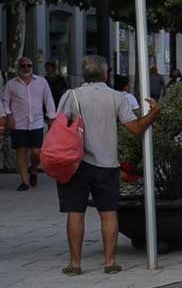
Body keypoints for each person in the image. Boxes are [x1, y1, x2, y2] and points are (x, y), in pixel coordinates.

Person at [54, 56, 161, 275]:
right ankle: (110, 261)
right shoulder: (117, 97)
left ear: (84, 74)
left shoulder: (71, 95)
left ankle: (75, 264)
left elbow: (59, 127)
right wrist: (154, 113)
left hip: (76, 163)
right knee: (109, 212)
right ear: (106, 74)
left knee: (75, 212)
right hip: (107, 164)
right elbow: (136, 128)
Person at [4, 57, 56, 190]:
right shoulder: (11, 84)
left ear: (32, 67)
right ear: (18, 68)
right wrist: (9, 115)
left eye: (29, 65)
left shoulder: (41, 82)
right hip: (18, 123)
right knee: (21, 152)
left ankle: (33, 169)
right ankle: (24, 182)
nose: (26, 68)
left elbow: (48, 99)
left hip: (37, 123)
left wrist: (52, 117)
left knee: (36, 152)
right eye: (23, 66)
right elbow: (5, 101)